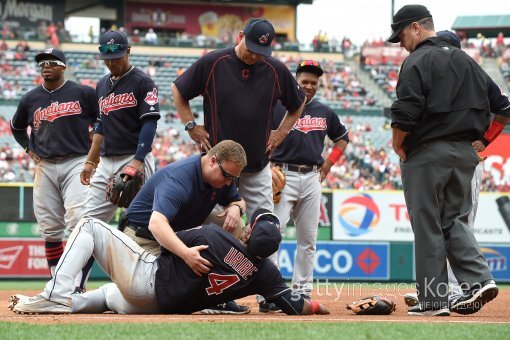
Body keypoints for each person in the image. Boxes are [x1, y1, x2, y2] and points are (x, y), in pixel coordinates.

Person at [388, 4, 499, 316]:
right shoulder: (467, 60)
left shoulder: (417, 60)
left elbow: (406, 110)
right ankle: (479, 280)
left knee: (427, 224)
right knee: (452, 220)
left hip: (428, 152)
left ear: (416, 28)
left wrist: (398, 144)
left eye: (401, 36)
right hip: (465, 153)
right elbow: (503, 106)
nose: (400, 44)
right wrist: (484, 139)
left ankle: (434, 301)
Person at [10, 210, 329, 316]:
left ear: (248, 230)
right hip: (161, 307)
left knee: (90, 226)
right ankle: (69, 305)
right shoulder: (267, 273)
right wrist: (318, 308)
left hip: (149, 281)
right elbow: (292, 304)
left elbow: (166, 243)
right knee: (109, 294)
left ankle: (55, 295)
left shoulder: (215, 236)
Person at [171, 18, 305, 224]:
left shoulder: (275, 69)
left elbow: (298, 103)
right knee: (212, 230)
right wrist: (190, 126)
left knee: (264, 230)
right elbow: (179, 90)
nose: (254, 55)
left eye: (260, 52)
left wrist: (282, 132)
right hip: (217, 167)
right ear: (240, 36)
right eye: (251, 48)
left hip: (256, 166)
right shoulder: (213, 62)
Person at [122, 140, 250, 314]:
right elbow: (156, 224)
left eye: (234, 178)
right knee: (156, 295)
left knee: (237, 225)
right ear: (212, 161)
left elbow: (238, 200)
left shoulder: (219, 178)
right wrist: (186, 254)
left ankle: (216, 293)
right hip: (142, 240)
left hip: (176, 234)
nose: (229, 183)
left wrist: (236, 207)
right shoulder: (180, 177)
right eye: (227, 176)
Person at [9, 48, 98, 291]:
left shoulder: (83, 92)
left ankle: (78, 285)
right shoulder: (30, 98)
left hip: (76, 161)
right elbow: (16, 127)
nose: (45, 66)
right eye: (41, 63)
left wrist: (95, 140)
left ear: (63, 66)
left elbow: (103, 119)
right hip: (45, 165)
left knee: (80, 223)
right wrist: (28, 148)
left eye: (51, 62)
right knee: (49, 229)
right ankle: (58, 283)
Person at [265, 60, 349, 313]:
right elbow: (259, 137)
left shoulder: (324, 111)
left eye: (314, 82)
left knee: (308, 239)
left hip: (312, 176)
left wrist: (329, 163)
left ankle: (301, 292)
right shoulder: (279, 107)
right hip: (282, 174)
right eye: (305, 81)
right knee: (271, 236)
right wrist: (266, 165)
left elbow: (342, 139)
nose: (309, 86)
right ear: (295, 81)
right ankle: (270, 293)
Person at [79, 30, 160, 290]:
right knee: (87, 223)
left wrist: (137, 161)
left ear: (128, 51)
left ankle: (145, 283)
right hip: (106, 160)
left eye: (116, 56)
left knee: (137, 224)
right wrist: (91, 161)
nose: (111, 61)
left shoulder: (143, 82)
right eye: (107, 57)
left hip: (132, 156)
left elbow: (149, 124)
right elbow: (101, 126)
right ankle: (76, 285)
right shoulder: (102, 84)